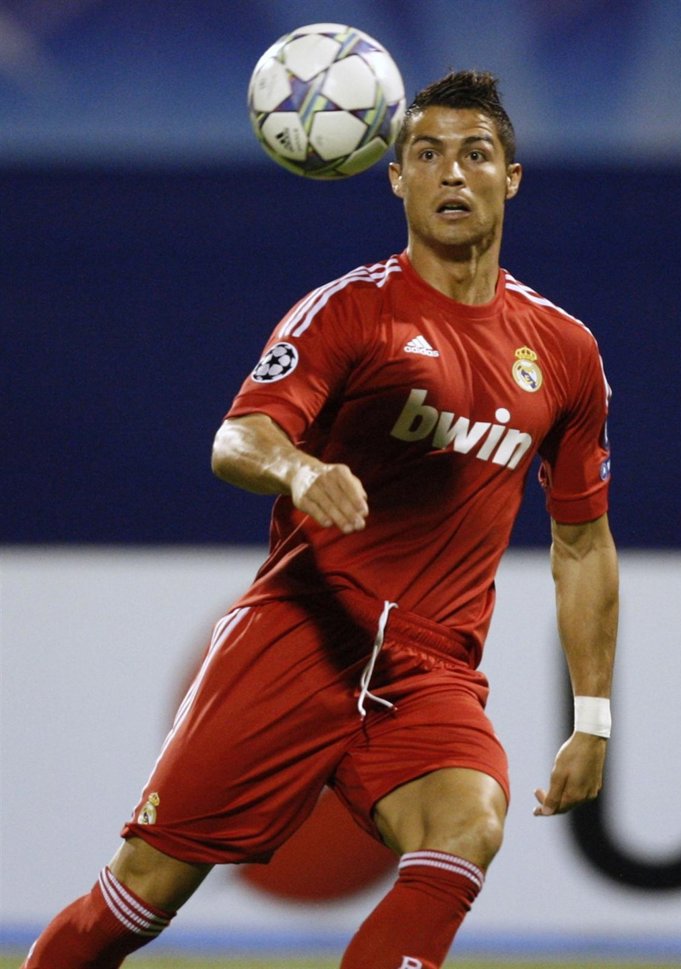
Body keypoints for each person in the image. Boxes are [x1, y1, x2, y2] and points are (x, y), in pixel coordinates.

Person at [21, 70, 619, 969]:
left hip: (429, 669)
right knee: (138, 895)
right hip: (301, 636)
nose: (452, 173)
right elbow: (238, 437)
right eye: (426, 154)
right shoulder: (353, 312)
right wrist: (297, 468)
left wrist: (595, 715)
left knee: (468, 823)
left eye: (476, 154)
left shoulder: (564, 352)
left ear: (512, 178)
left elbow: (581, 542)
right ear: (395, 179)